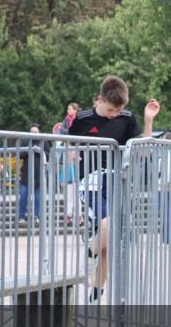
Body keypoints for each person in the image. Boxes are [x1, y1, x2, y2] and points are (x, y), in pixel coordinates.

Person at [68, 76, 159, 301]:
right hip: (90, 181)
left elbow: (143, 150)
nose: (114, 115)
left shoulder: (127, 118)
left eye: (118, 110)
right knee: (108, 224)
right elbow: (71, 144)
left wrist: (148, 121)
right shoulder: (82, 118)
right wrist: (72, 152)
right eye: (110, 110)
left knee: (110, 245)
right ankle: (89, 256)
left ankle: (96, 294)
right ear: (99, 100)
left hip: (115, 180)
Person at [17, 125, 48, 225]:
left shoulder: (44, 141)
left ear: (39, 132)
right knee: (23, 196)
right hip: (26, 174)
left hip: (39, 175)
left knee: (38, 197)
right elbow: (20, 154)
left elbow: (49, 154)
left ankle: (36, 216)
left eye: (35, 132)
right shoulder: (26, 141)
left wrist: (39, 151)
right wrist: (29, 150)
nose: (33, 134)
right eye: (31, 132)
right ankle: (21, 216)